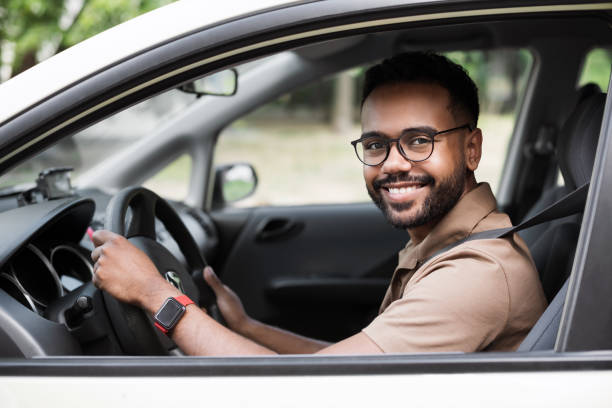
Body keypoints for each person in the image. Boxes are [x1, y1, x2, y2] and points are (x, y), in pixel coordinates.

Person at [91, 52, 547, 355]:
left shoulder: (476, 273)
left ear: (471, 150)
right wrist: (248, 329)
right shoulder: (444, 244)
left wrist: (156, 295)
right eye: (375, 145)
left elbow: (311, 392)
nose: (392, 164)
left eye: (419, 140)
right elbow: (349, 364)